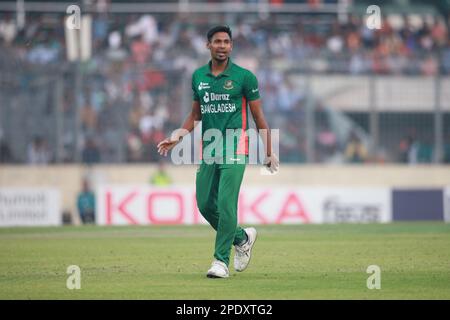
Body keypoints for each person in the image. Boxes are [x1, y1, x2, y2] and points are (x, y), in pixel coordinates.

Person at [157, 25, 279, 278]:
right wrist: (177, 137)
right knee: (204, 204)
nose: (222, 45)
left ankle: (220, 261)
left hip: (237, 144)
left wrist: (269, 150)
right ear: (208, 45)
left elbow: (258, 117)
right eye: (217, 41)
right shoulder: (198, 76)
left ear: (231, 46)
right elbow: (195, 114)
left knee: (226, 204)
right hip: (210, 147)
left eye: (226, 41)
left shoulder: (245, 77)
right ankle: (242, 238)